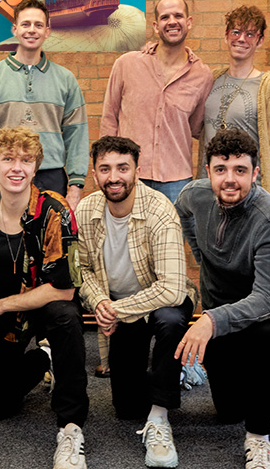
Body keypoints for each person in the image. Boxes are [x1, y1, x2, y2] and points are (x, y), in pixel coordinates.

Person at [174, 128, 270, 469]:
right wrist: (201, 254)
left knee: (263, 340)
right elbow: (182, 214)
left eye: (240, 170)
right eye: (221, 169)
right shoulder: (194, 195)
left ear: (255, 173)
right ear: (208, 171)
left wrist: (210, 321)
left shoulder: (268, 216)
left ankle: (260, 438)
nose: (230, 179)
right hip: (220, 307)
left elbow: (265, 299)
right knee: (229, 411)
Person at [0, 126, 88, 469]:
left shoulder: (55, 209)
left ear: (36, 167)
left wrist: (1, 304)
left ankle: (71, 424)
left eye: (26, 160)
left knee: (66, 317)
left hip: (46, 302)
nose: (16, 168)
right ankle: (43, 360)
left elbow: (65, 288)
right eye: (8, 159)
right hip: (3, 309)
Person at [77, 136, 195, 468]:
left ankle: (160, 417)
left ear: (137, 171)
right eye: (105, 169)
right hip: (119, 306)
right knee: (127, 408)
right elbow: (82, 269)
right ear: (95, 174)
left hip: (159, 301)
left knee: (171, 321)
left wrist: (115, 310)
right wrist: (100, 302)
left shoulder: (160, 210)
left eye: (122, 168)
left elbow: (172, 289)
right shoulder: (86, 210)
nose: (114, 177)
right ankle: (175, 371)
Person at [0, 0, 88, 211]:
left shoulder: (66, 79)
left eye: (38, 25)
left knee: (50, 233)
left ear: (47, 31)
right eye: (25, 24)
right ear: (15, 29)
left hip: (51, 177)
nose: (32, 30)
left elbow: (76, 132)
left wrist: (75, 186)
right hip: (5, 174)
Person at [101, 0, 213, 203]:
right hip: (129, 176)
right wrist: (108, 169)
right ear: (155, 26)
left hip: (177, 180)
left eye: (178, 15)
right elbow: (109, 119)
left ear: (189, 22)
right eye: (165, 17)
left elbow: (195, 127)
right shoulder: (126, 64)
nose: (172, 21)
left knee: (176, 226)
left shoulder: (202, 75)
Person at [200, 5, 270, 221]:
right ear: (226, 36)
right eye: (236, 32)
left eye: (250, 34)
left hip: (254, 195)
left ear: (259, 41)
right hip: (212, 192)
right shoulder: (210, 80)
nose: (241, 39)